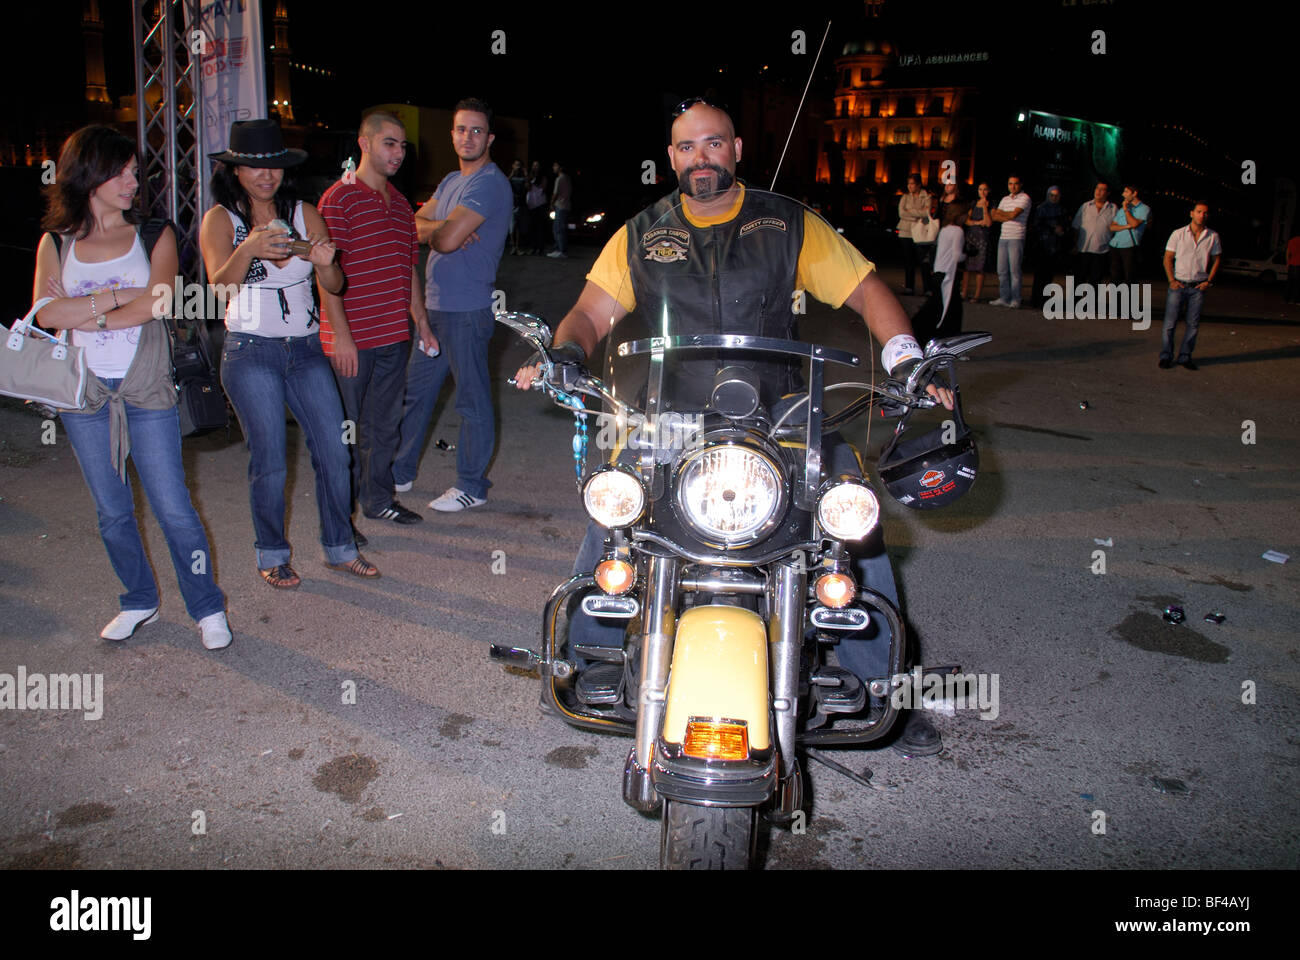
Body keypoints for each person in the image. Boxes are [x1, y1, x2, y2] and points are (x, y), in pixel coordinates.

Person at [513, 99, 956, 756]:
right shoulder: (640, 234)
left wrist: (907, 361)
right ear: (671, 157)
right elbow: (591, 311)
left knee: (852, 519)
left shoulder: (786, 223)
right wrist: (565, 353)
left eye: (713, 143)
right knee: (613, 510)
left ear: (737, 148)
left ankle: (879, 680)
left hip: (782, 407)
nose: (702, 158)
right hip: (672, 414)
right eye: (688, 148)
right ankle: (591, 657)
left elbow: (865, 289)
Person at [31, 125, 231, 648]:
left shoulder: (153, 233)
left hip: (147, 391)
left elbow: (159, 302)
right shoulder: (56, 243)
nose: (132, 180)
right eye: (120, 171)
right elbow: (47, 311)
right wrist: (119, 297)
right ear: (87, 174)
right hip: (85, 396)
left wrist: (87, 310)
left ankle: (207, 607)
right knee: (112, 510)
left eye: (134, 171)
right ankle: (139, 599)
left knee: (173, 507)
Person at [200, 117, 379, 587]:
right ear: (235, 171)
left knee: (335, 451)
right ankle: (272, 551)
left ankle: (340, 546)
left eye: (274, 167)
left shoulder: (304, 213)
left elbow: (336, 284)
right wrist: (252, 247)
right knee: (270, 458)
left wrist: (325, 264)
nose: (266, 176)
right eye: (255, 168)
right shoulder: (222, 219)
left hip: (303, 349)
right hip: (249, 351)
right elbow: (219, 285)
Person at [392, 98, 513, 511]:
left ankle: (472, 486)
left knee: (471, 400)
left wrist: (441, 230)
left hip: (467, 310)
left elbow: (440, 240)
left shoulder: (489, 183)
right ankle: (401, 472)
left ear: (490, 137)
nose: (468, 137)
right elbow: (410, 225)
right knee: (416, 394)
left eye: (477, 130)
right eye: (462, 129)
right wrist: (444, 226)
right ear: (452, 134)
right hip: (435, 308)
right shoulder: (449, 183)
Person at [317, 110, 432, 531]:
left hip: (392, 337)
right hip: (351, 340)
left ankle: (378, 500)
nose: (398, 153)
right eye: (389, 143)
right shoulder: (338, 198)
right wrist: (341, 339)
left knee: (384, 427)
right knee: (343, 433)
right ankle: (339, 520)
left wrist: (421, 321)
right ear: (364, 144)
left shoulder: (402, 205)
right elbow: (324, 276)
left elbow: (409, 267)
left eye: (403, 145)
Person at [1158, 202, 1221, 370]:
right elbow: (1168, 258)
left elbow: (1217, 259)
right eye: (1199, 212)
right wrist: (1171, 279)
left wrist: (1209, 281)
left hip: (1198, 287)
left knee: (1192, 324)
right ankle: (1166, 356)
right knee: (1170, 323)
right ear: (1191, 213)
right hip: (1178, 285)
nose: (1202, 215)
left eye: (1205, 213)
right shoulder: (1178, 234)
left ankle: (1185, 357)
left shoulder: (1212, 236)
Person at [913, 199, 968, 344]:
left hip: (938, 273)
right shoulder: (958, 231)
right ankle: (951, 343)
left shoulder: (944, 229)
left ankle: (919, 335)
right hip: (948, 277)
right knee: (951, 313)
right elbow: (957, 255)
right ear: (960, 215)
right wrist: (967, 254)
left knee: (935, 309)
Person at [989, 174, 1031, 308]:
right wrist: (1006, 215)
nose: (1012, 186)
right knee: (1001, 270)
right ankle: (1004, 297)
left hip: (1016, 237)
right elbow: (994, 217)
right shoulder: (1005, 199)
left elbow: (1014, 214)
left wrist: (1003, 214)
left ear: (1021, 184)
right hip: (1003, 237)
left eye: (1015, 183)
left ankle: (1016, 299)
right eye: (1010, 183)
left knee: (1014, 270)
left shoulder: (1025, 198)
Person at [1030, 185, 1070, 309]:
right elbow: (1036, 225)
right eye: (1052, 195)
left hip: (1055, 247)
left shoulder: (1062, 210)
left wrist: (1062, 231)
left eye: (1057, 195)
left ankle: (1044, 300)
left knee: (1049, 275)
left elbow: (1067, 225)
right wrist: (1053, 228)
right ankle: (1036, 300)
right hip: (1042, 246)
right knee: (1039, 275)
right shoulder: (1041, 208)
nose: (1054, 197)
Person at [1072, 181, 1116, 286]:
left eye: (1102, 189)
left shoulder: (1113, 208)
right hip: (1083, 248)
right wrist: (1074, 244)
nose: (1098, 191)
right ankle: (1075, 302)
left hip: (1102, 250)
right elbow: (1075, 226)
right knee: (1079, 279)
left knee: (1096, 280)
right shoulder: (1085, 206)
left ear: (1108, 193)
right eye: (1097, 188)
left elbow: (1116, 228)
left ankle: (1091, 302)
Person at [1107, 184, 1150, 285]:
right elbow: (1112, 227)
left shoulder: (1144, 209)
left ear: (1134, 193)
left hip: (1129, 246)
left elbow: (1134, 224)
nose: (1123, 194)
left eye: (1126, 192)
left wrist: (1126, 210)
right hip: (1115, 245)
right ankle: (1116, 300)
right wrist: (1126, 227)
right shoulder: (1122, 209)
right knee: (1115, 277)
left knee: (1129, 277)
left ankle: (1128, 300)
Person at [897, 173, 931, 295]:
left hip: (920, 232)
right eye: (909, 184)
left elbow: (926, 213)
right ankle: (909, 287)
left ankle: (927, 288)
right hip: (905, 232)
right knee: (908, 261)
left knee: (924, 261)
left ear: (918, 185)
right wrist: (917, 214)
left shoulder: (926, 196)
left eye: (912, 184)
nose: (910, 186)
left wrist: (910, 212)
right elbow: (901, 213)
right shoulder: (905, 197)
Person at [960, 182, 992, 302]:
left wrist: (984, 206)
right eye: (980, 189)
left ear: (988, 191)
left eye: (985, 189)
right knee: (967, 267)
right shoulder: (973, 204)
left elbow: (988, 222)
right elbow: (967, 220)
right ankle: (964, 293)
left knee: (980, 267)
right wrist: (977, 222)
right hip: (971, 236)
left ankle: (977, 295)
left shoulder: (991, 204)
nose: (982, 192)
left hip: (983, 238)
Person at [548, 161, 572, 259]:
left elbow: (555, 193)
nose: (553, 167)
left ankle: (560, 250)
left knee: (558, 228)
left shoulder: (560, 178)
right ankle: (559, 249)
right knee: (560, 228)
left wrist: (551, 203)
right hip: (565, 205)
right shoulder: (567, 178)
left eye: (555, 166)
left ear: (560, 167)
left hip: (560, 206)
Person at [525, 160, 549, 255]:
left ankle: (540, 248)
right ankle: (533, 247)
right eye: (534, 165)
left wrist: (534, 181)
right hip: (531, 205)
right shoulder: (530, 176)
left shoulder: (543, 177)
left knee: (540, 227)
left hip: (540, 204)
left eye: (537, 165)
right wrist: (528, 178)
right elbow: (527, 187)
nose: (535, 167)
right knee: (533, 227)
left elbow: (543, 187)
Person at [507, 160, 527, 255]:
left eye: (519, 165)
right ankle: (513, 246)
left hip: (520, 204)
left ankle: (517, 247)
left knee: (518, 226)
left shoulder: (523, 177)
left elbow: (528, 187)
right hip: (512, 204)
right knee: (511, 227)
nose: (517, 167)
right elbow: (505, 184)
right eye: (516, 165)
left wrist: (526, 174)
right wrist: (512, 173)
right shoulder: (511, 177)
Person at [1288, 231, 1300, 304]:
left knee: (1291, 282)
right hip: (1299, 265)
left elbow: (1288, 252)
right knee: (1298, 284)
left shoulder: (1292, 240)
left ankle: (1288, 299)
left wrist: (1288, 263)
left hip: (1292, 264)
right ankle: (1297, 300)